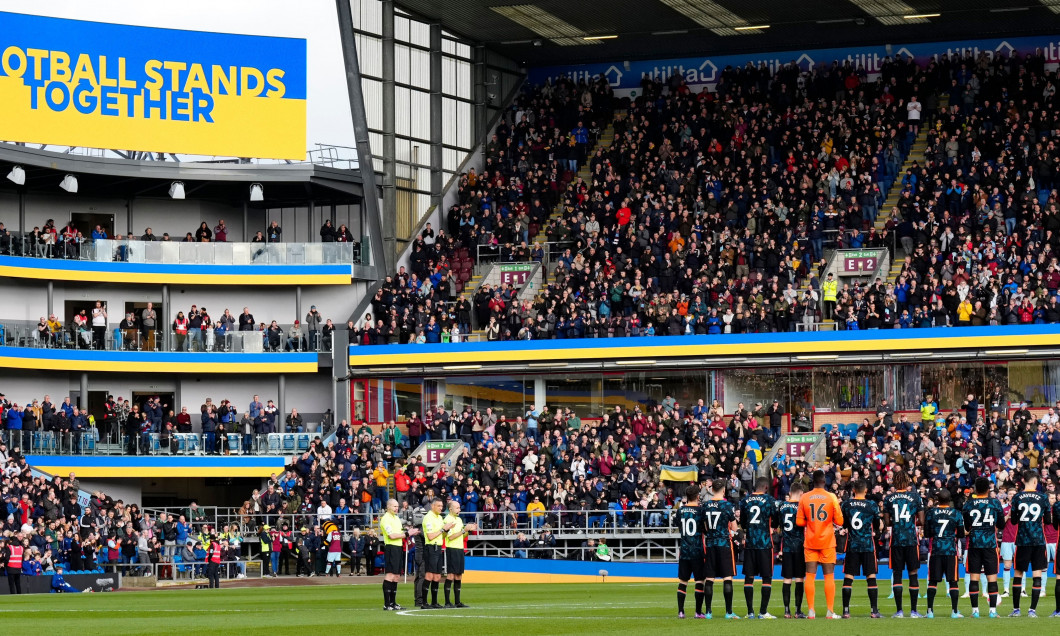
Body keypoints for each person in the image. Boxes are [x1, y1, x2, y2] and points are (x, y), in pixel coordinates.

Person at [796, 469, 843, 619]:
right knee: (829, 576)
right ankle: (830, 611)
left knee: (810, 576)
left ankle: (811, 611)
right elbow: (840, 521)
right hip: (827, 541)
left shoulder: (805, 497)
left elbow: (799, 521)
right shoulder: (831, 497)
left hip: (810, 541)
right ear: (824, 481)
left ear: (813, 481)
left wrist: (810, 522)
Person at [882, 468, 924, 617]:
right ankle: (914, 611)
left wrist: (894, 521)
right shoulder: (915, 497)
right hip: (911, 539)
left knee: (897, 573)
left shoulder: (888, 498)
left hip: (897, 540)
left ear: (895, 482)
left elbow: (887, 521)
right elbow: (922, 520)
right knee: (913, 573)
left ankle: (899, 610)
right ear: (907, 482)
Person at [1009, 469, 1050, 617]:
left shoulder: (1018, 497)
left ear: (1023, 481)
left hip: (1023, 540)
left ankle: (1016, 610)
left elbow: (1013, 521)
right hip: (1038, 540)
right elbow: (1049, 521)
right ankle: (1032, 610)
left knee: (1018, 574)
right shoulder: (1043, 497)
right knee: (1037, 575)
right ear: (1035, 481)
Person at [963, 477, 1005, 618]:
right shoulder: (994, 503)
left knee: (974, 578)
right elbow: (1002, 524)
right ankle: (992, 611)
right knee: (992, 578)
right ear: (988, 489)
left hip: (974, 544)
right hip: (990, 544)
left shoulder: (969, 504)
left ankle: (975, 611)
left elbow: (967, 524)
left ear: (975, 489)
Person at [840, 479, 881, 618]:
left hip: (852, 545)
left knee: (848, 577)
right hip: (867, 545)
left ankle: (846, 611)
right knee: (870, 576)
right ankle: (874, 611)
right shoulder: (871, 505)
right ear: (866, 491)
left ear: (853, 491)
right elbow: (877, 524)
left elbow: (844, 523)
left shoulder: (847, 504)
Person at [739, 476, 777, 618]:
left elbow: (743, 523)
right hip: (765, 544)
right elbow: (775, 521)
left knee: (749, 577)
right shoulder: (769, 501)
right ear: (766, 487)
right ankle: (763, 612)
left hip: (750, 544)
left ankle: (750, 612)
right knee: (766, 577)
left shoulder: (745, 501)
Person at [701, 478, 737, 619]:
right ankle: (728, 612)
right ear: (723, 490)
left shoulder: (706, 505)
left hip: (710, 544)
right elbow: (734, 527)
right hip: (724, 544)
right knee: (727, 577)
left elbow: (703, 525)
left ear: (712, 490)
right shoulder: (727, 506)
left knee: (709, 578)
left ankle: (708, 612)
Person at [924, 488, 963, 618]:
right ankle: (954, 611)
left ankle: (929, 611)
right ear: (949, 500)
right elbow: (961, 534)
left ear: (937, 500)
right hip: (951, 550)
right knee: (953, 581)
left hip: (936, 550)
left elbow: (927, 533)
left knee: (933, 581)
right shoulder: (956, 513)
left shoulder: (931, 513)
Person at [773, 482, 806, 618]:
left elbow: (775, 524)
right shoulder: (801, 506)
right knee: (799, 578)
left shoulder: (781, 506)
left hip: (786, 546)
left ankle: (787, 611)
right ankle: (798, 611)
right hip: (799, 546)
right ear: (801, 493)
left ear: (790, 492)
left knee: (787, 579)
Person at [676, 483, 706, 619]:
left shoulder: (680, 511)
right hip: (698, 551)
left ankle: (681, 611)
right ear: (698, 496)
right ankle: (698, 612)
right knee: (700, 581)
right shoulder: (701, 511)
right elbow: (705, 529)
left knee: (683, 581)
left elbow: (679, 526)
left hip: (684, 550)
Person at [442, 499, 476, 608]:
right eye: (457, 508)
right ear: (450, 509)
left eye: (459, 508)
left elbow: (462, 536)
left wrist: (468, 530)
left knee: (459, 575)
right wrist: (463, 531)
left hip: (460, 548)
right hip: (452, 548)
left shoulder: (459, 520)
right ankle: (447, 602)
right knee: (451, 574)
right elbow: (450, 537)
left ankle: (457, 602)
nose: (459, 510)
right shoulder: (448, 520)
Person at [421, 498, 446, 609]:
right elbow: (430, 536)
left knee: (437, 576)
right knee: (429, 575)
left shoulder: (440, 518)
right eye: (439, 506)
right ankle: (424, 602)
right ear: (432, 506)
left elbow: (442, 535)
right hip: (431, 547)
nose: (441, 508)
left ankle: (434, 602)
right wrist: (442, 530)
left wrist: (446, 531)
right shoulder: (428, 518)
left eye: (442, 506)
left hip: (438, 547)